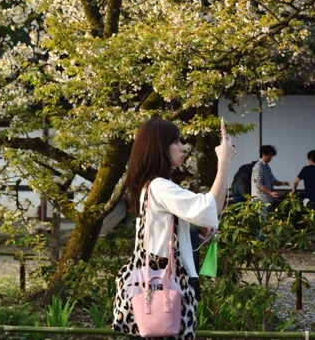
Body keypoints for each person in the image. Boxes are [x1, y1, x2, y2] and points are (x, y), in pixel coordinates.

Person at [112, 118, 236, 339]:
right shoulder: (160, 186)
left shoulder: (151, 185)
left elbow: (166, 229)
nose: (183, 147)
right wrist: (224, 161)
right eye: (176, 141)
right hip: (168, 285)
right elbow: (209, 209)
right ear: (160, 147)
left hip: (157, 281)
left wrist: (190, 235)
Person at [250, 145, 288, 212]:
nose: (271, 158)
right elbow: (259, 184)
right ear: (263, 154)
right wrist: (270, 193)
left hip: (267, 199)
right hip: (260, 200)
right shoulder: (258, 166)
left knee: (268, 220)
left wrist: (282, 183)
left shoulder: (266, 167)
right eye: (270, 156)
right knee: (264, 221)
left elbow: (273, 180)